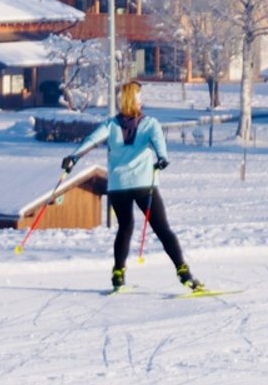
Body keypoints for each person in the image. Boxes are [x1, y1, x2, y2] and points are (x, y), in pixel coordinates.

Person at [60, 81, 199, 293]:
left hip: (118, 186)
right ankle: (184, 273)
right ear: (136, 100)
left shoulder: (111, 125)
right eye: (140, 96)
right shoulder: (150, 123)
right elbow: (160, 146)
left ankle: (118, 273)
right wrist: (162, 159)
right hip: (144, 185)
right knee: (162, 229)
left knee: (125, 228)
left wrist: (74, 157)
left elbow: (91, 140)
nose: (142, 99)